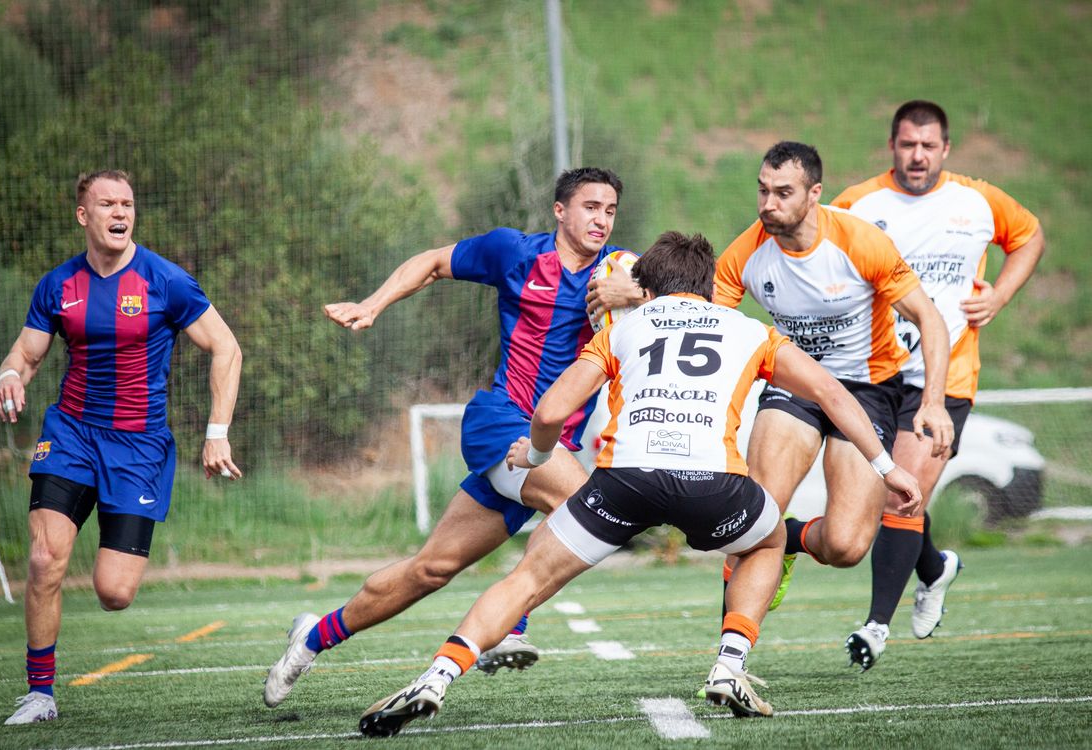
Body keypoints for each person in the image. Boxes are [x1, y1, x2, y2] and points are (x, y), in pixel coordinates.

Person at [356, 232, 923, 737]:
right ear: (709, 287)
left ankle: (437, 676)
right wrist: (887, 467)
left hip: (623, 482)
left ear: (646, 289)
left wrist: (534, 453)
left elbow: (551, 408)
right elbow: (831, 394)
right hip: (714, 485)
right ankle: (730, 663)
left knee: (529, 576)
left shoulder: (626, 329)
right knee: (769, 541)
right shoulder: (751, 330)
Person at [263, 167, 646, 708]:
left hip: (541, 449)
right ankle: (511, 626)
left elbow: (685, 296)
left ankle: (311, 638)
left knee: (431, 568)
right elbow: (434, 262)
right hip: (501, 420)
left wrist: (636, 289)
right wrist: (373, 304)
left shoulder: (624, 270)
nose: (601, 219)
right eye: (589, 207)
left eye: (609, 210)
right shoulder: (514, 253)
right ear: (560, 211)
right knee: (584, 502)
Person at [0, 170, 243, 726]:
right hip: (71, 434)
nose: (119, 212)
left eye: (127, 203)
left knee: (114, 592)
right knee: (43, 559)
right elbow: (26, 356)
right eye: (106, 203)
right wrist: (8, 375)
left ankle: (98, 597)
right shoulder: (57, 285)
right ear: (83, 215)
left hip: (138, 447)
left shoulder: (167, 281)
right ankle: (40, 693)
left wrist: (216, 432)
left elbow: (226, 348)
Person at [712, 142, 954, 669]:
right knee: (751, 518)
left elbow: (930, 319)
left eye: (783, 193)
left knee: (845, 547)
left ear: (814, 194)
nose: (767, 204)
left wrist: (932, 402)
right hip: (796, 384)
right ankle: (729, 660)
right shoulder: (746, 254)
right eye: (762, 190)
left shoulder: (859, 242)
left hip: (867, 390)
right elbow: (701, 319)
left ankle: (791, 541)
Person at [830, 100, 1045, 667]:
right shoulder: (857, 203)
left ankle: (876, 627)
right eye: (907, 144)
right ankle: (934, 567)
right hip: (875, 374)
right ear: (892, 146)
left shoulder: (975, 201)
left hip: (946, 380)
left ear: (945, 149)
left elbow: (1029, 236)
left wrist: (999, 294)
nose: (917, 155)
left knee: (902, 495)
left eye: (928, 146)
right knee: (888, 494)